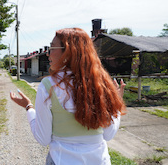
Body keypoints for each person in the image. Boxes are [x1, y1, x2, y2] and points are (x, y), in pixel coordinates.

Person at [10, 28, 126, 165]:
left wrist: (29, 108)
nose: (48, 54)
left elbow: (43, 139)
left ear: (68, 52)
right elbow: (108, 134)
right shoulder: (102, 84)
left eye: (52, 48)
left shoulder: (48, 86)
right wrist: (116, 105)